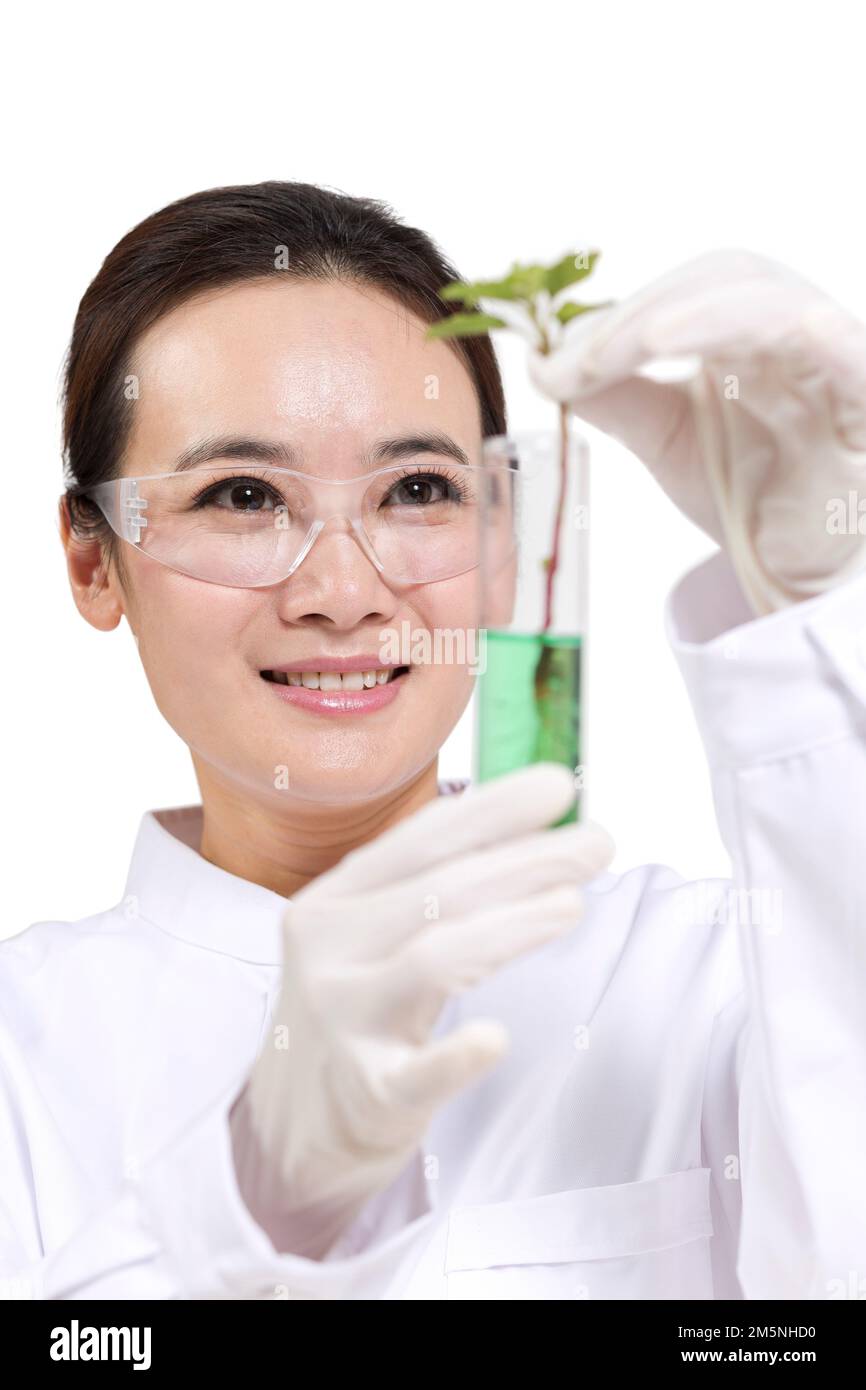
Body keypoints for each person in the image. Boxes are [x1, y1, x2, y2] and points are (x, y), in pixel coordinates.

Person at [1, 183, 864, 1301]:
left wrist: (821, 627)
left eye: (416, 488)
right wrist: (246, 1199)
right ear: (91, 560)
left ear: (503, 539)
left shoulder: (702, 978)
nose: (341, 590)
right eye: (243, 494)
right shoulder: (23, 1053)